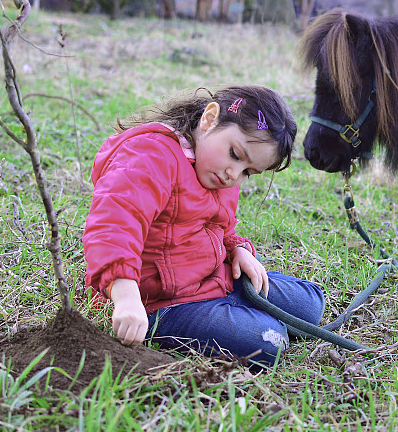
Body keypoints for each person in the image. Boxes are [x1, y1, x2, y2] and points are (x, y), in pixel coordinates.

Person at [83, 85, 324, 367]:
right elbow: (114, 225)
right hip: (160, 302)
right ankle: (228, 319)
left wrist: (238, 249)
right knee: (267, 343)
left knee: (310, 304)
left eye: (248, 172)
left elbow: (222, 227)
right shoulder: (150, 156)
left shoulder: (216, 171)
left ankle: (235, 312)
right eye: (235, 154)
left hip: (212, 280)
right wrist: (125, 297)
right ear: (209, 119)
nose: (234, 174)